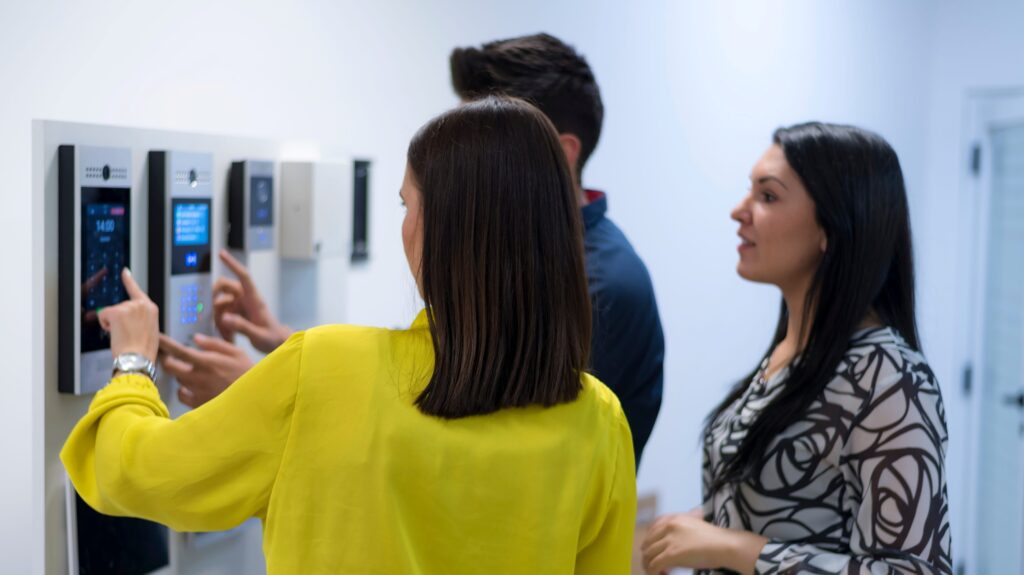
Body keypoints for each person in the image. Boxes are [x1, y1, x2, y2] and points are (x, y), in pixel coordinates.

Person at [62, 96, 637, 574]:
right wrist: (285, 359)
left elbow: (132, 473)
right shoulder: (601, 421)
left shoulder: (322, 369)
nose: (404, 225)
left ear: (441, 229)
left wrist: (133, 363)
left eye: (406, 204)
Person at [641, 123, 952, 574]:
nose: (738, 211)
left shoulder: (890, 378)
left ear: (831, 227)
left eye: (767, 196)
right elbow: (799, 505)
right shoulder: (792, 350)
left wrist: (732, 547)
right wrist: (708, 522)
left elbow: (912, 570)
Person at [450, 33, 665, 464]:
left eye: (482, 144)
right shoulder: (518, 256)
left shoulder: (601, 284)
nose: (461, 164)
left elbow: (521, 448)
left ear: (562, 152)